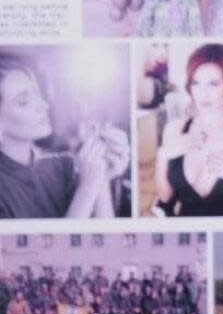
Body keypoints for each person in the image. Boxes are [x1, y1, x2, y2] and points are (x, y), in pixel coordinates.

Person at [0, 55, 130, 219]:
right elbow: (60, 245)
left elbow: (108, 242)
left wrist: (101, 178)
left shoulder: (66, 165)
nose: (44, 106)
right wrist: (88, 188)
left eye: (37, 94)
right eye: (24, 101)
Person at [154, 43, 223, 216]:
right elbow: (165, 198)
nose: (202, 94)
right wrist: (162, 156)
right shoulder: (174, 130)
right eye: (196, 83)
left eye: (213, 84)